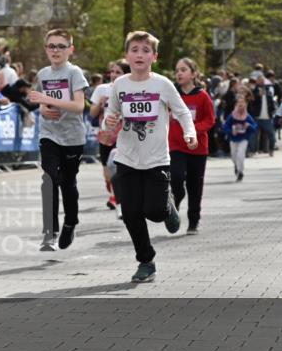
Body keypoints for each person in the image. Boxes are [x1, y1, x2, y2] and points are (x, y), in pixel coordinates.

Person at [104, 31, 196, 283]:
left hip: (156, 159)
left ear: (154, 57)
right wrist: (109, 122)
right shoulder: (119, 85)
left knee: (154, 212)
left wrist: (189, 133)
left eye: (146, 50)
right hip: (127, 158)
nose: (139, 55)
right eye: (134, 50)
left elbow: (183, 112)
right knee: (131, 213)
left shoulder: (162, 84)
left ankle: (167, 206)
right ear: (127, 55)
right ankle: (146, 261)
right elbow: (110, 116)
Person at [25, 29, 88, 250]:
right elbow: (43, 103)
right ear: (46, 49)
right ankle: (50, 231)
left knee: (68, 183)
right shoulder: (43, 74)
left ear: (71, 49)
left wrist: (47, 99)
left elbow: (79, 106)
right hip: (49, 133)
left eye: (61, 46)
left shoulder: (74, 73)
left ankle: (70, 222)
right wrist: (43, 108)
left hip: (72, 136)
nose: (56, 50)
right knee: (49, 178)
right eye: (51, 46)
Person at [167, 57, 215, 235]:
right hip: (175, 145)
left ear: (193, 74)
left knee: (195, 185)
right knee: (176, 177)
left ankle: (193, 221)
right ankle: (176, 198)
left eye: (183, 70)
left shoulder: (202, 96)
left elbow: (210, 120)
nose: (179, 73)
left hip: (197, 147)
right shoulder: (172, 94)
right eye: (177, 70)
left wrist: (193, 130)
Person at [89, 60, 127, 213]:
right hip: (105, 135)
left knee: (117, 165)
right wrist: (100, 103)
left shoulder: (131, 89)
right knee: (107, 168)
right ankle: (112, 191)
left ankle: (116, 196)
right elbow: (92, 113)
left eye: (118, 72)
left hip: (124, 135)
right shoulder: (102, 89)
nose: (114, 75)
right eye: (112, 72)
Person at [222, 93, 257, 181]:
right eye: (239, 103)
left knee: (240, 154)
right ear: (236, 104)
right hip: (233, 139)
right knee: (234, 156)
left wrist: (249, 125)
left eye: (242, 102)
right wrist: (231, 131)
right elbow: (225, 126)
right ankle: (236, 166)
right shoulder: (232, 116)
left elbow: (254, 127)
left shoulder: (247, 117)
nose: (241, 104)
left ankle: (240, 171)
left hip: (244, 138)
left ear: (245, 104)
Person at [248, 74, 277, 156]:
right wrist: (258, 95)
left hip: (267, 117)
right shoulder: (253, 91)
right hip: (256, 117)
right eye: (260, 80)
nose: (261, 82)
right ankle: (252, 151)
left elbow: (272, 103)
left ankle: (271, 149)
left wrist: (273, 110)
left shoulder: (268, 91)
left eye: (262, 80)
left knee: (271, 134)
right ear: (257, 81)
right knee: (253, 135)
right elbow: (251, 102)